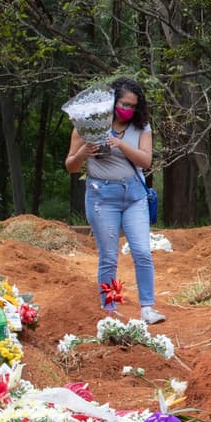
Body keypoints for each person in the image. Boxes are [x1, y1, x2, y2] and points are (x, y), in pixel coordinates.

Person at [64, 77, 165, 324]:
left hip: (133, 196)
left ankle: (147, 307)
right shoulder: (87, 125)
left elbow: (145, 161)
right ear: (112, 102)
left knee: (142, 251)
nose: (127, 109)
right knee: (108, 256)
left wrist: (120, 144)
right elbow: (70, 166)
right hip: (102, 197)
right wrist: (82, 153)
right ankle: (109, 309)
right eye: (123, 104)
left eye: (132, 105)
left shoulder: (142, 127)